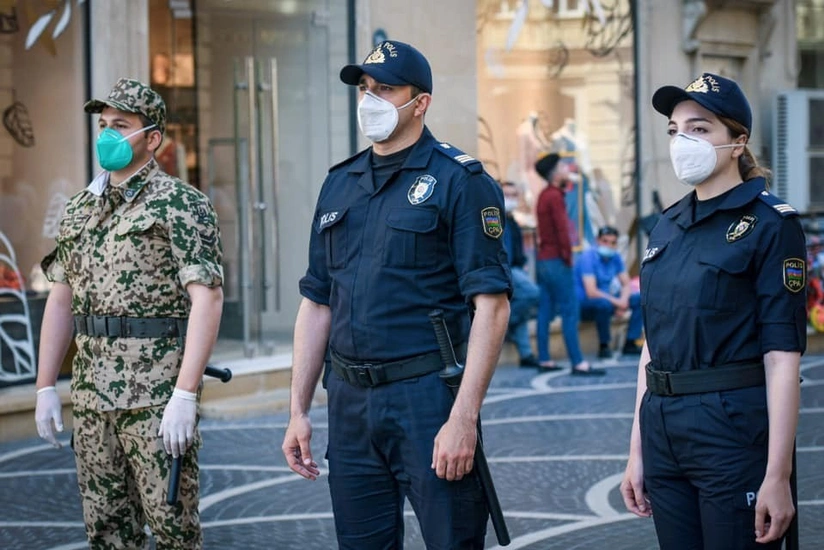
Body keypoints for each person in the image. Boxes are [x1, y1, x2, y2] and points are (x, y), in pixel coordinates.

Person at [281, 40, 512, 549]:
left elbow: (491, 307)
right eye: (366, 89)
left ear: (420, 102)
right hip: (349, 403)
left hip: (426, 399)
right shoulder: (339, 184)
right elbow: (317, 302)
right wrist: (298, 409)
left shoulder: (460, 180)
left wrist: (463, 418)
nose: (371, 100)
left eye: (385, 89)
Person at [34, 78, 224, 549]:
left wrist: (185, 394)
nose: (107, 135)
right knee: (106, 531)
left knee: (172, 528)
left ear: (152, 138)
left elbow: (208, 297)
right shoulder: (79, 208)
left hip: (156, 399)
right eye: (103, 125)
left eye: (120, 125)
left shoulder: (181, 203)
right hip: (93, 396)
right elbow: (61, 299)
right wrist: (43, 386)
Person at [620, 73, 806, 549]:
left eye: (700, 129)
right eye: (676, 130)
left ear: (737, 141)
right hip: (662, 425)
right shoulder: (667, 225)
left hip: (730, 427)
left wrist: (778, 475)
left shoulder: (770, 224)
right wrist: (636, 451)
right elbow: (652, 344)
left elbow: (782, 356)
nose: (683, 141)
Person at [534, 152, 603, 375]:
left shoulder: (545, 195)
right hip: (557, 259)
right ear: (555, 173)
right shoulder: (554, 196)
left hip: (544, 259)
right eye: (563, 166)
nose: (567, 169)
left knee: (545, 309)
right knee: (569, 310)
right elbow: (562, 230)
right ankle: (578, 361)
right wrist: (568, 257)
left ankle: (544, 358)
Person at [575, 225, 644, 358]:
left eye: (613, 243)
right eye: (605, 241)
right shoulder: (587, 258)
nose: (609, 245)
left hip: (609, 299)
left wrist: (623, 301)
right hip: (586, 304)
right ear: (597, 240)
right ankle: (604, 346)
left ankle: (630, 342)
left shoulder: (615, 257)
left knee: (640, 299)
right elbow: (591, 291)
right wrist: (618, 303)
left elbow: (626, 283)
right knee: (603, 304)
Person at [502, 181, 540, 367]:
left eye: (513, 195)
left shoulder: (511, 220)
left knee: (521, 311)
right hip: (505, 269)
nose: (511, 199)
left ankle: (526, 355)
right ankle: (503, 323)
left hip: (514, 268)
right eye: (506, 195)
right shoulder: (497, 218)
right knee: (532, 293)